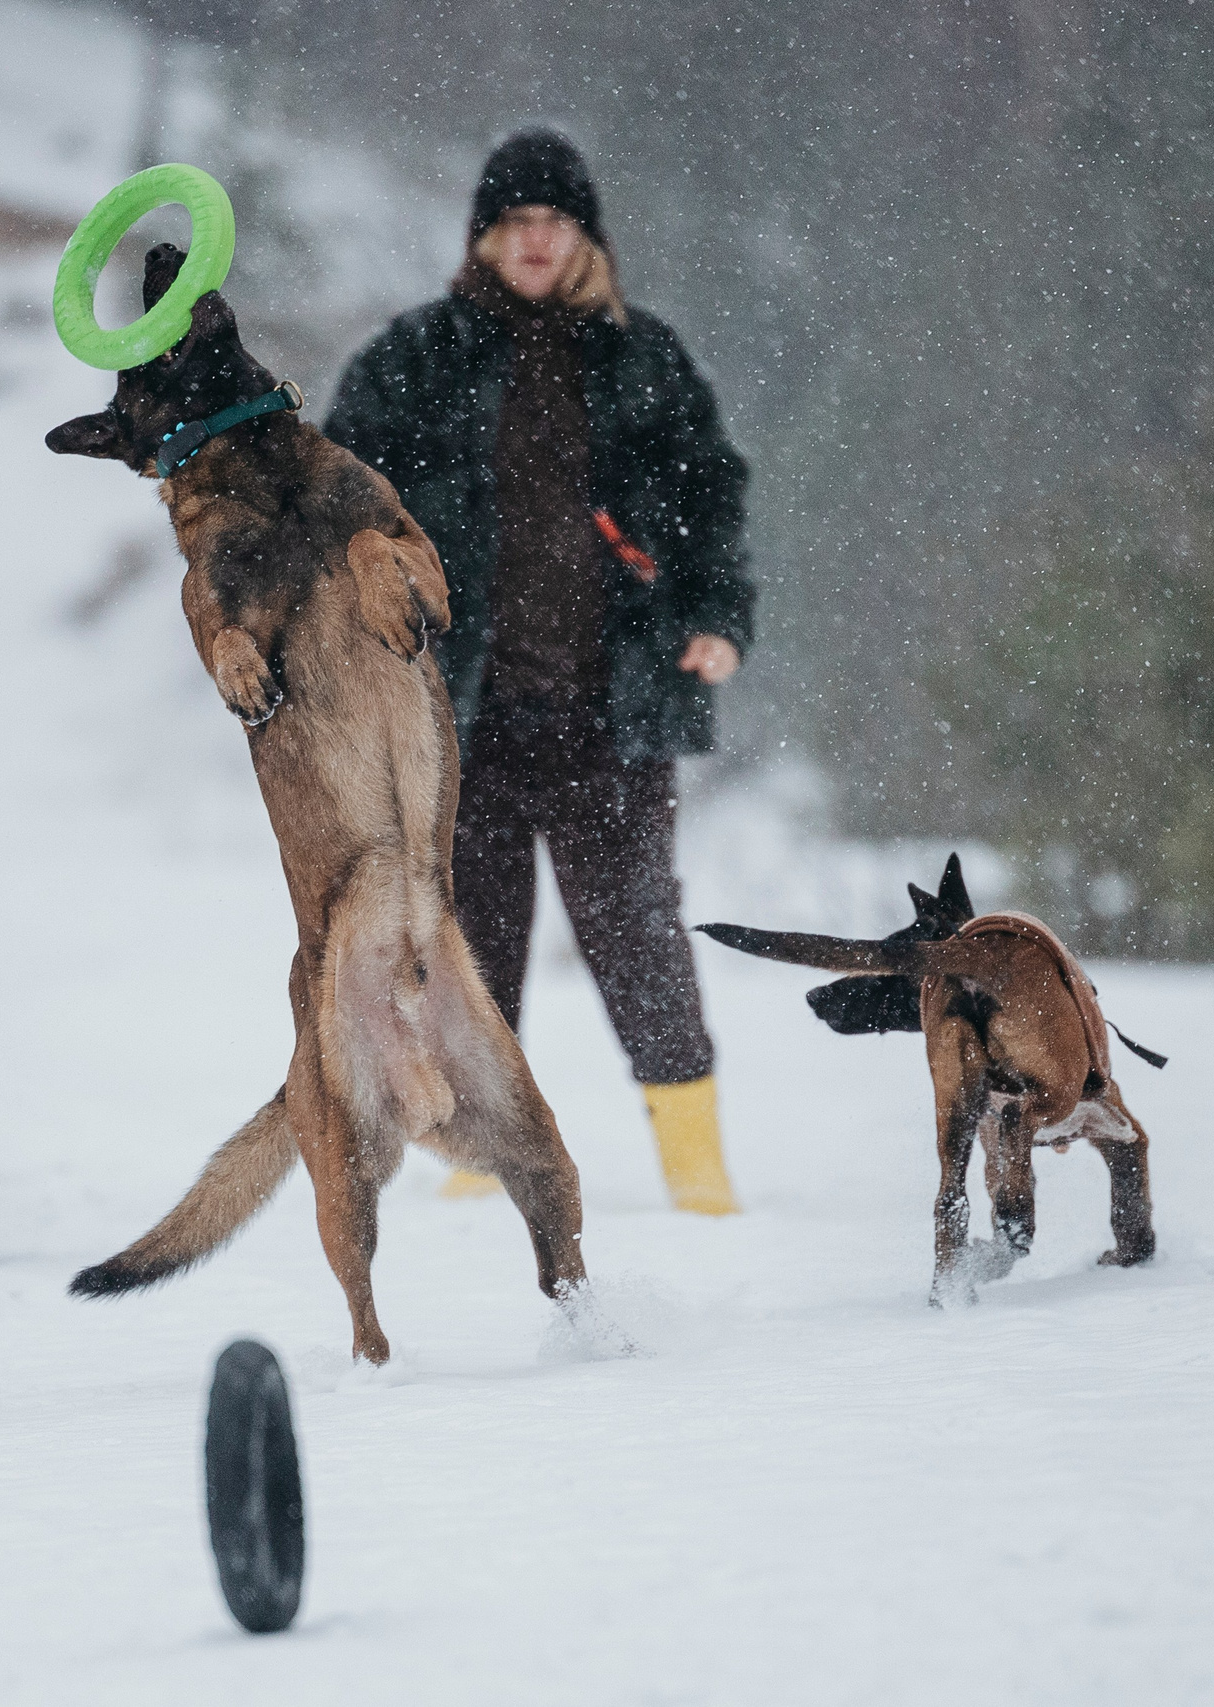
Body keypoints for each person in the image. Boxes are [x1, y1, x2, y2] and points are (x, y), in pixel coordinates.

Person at [326, 129, 755, 1215]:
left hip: (611, 713)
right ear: (483, 235)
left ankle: (698, 1173)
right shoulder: (415, 358)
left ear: (585, 237)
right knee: (468, 955)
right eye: (514, 222)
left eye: (553, 222)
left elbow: (713, 496)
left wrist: (717, 615)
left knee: (640, 943)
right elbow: (337, 500)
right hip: (457, 719)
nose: (533, 240)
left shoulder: (645, 359)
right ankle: (476, 1166)